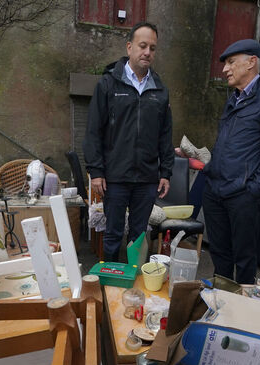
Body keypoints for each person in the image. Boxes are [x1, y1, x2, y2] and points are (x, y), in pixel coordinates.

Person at [83, 21, 173, 262]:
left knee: (138, 234)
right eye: (142, 46)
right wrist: (96, 171)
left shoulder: (160, 90)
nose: (147, 52)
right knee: (112, 234)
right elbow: (93, 131)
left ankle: (134, 278)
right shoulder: (108, 84)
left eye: (152, 48)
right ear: (129, 47)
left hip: (146, 178)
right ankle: (110, 279)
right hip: (115, 176)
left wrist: (165, 171)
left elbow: (165, 134)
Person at [202, 39, 260, 284]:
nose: (225, 69)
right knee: (219, 253)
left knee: (244, 257)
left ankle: (243, 302)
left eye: (231, 62)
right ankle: (221, 298)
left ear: (251, 62)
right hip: (215, 190)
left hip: (243, 194)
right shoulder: (234, 99)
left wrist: (255, 189)